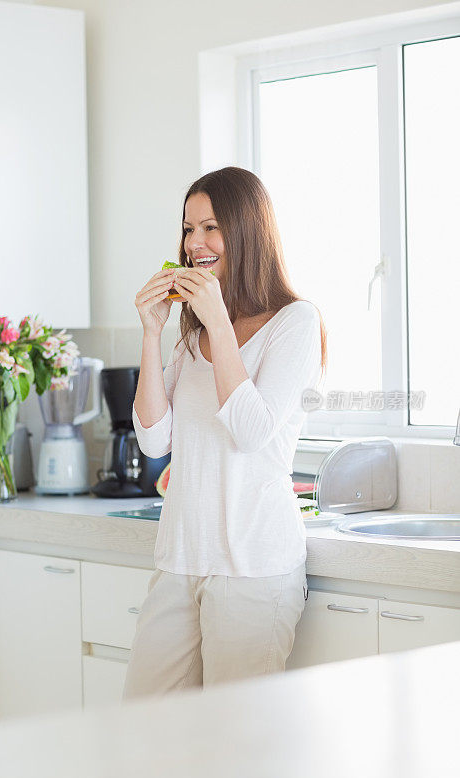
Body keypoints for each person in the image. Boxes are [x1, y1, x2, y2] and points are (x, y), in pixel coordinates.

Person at [122, 166, 327, 701]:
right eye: (188, 230)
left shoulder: (296, 322)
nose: (195, 244)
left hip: (253, 567)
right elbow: (153, 441)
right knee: (145, 729)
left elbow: (251, 431)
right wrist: (152, 333)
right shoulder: (191, 337)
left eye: (210, 228)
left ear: (246, 231)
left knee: (234, 755)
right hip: (180, 558)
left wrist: (217, 324)